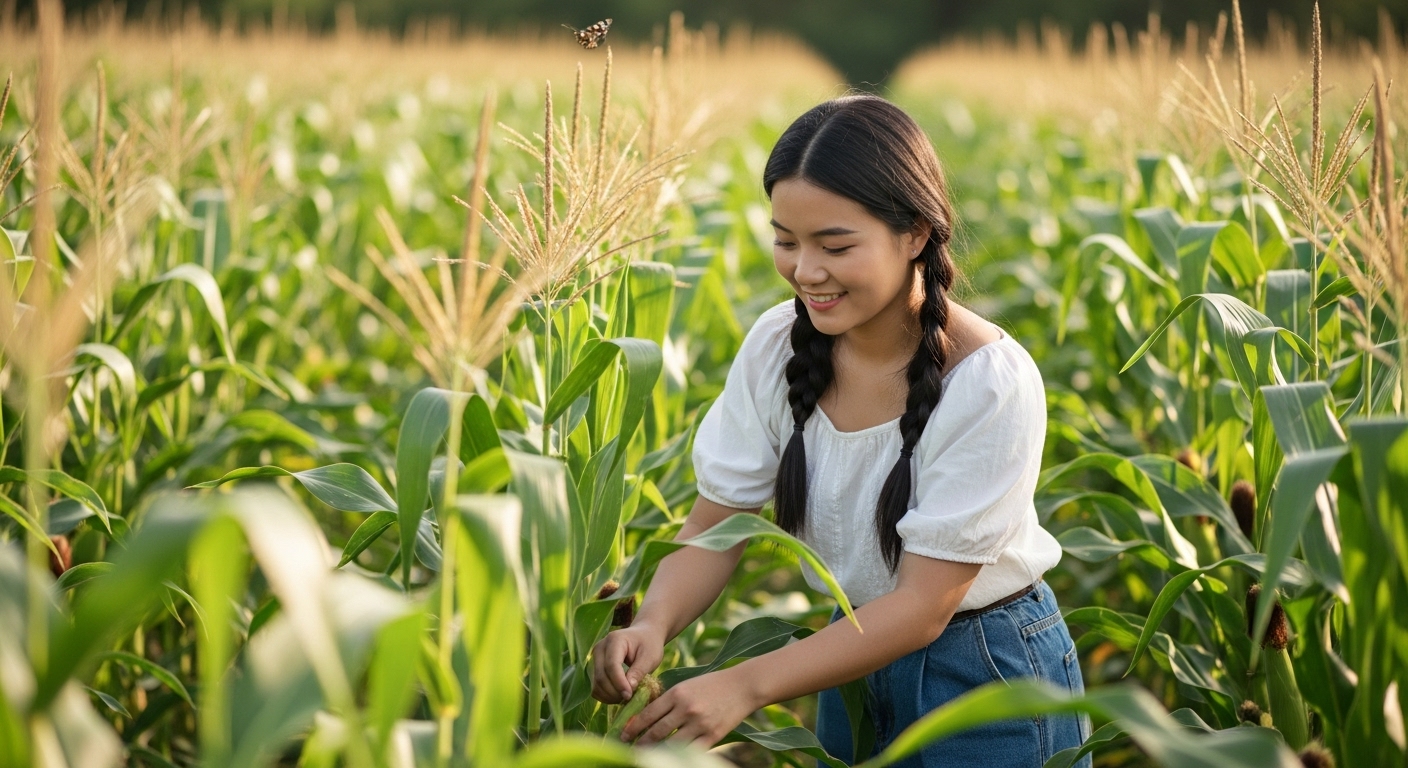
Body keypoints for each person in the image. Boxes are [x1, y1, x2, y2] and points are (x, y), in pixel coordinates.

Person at [589, 93, 1090, 767]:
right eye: (786, 241)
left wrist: (744, 685)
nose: (806, 271)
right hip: (847, 654)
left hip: (984, 672)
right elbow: (716, 522)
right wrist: (652, 622)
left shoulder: (989, 383)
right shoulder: (778, 346)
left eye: (835, 245)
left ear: (915, 233)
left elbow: (922, 608)